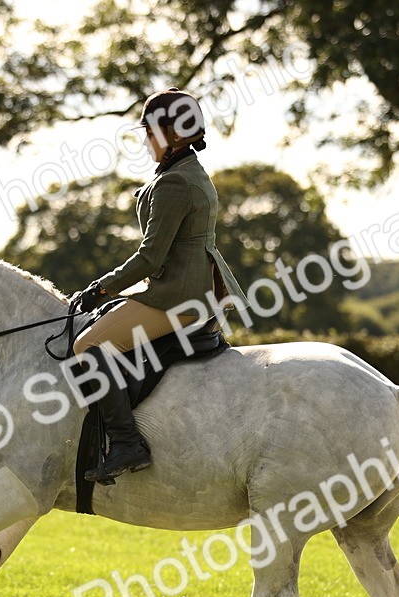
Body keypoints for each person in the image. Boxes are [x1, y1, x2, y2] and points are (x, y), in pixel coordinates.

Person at [71, 87, 244, 484]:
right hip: (189, 289)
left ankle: (126, 443)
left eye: (150, 132)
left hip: (179, 297)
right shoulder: (186, 173)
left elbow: (150, 258)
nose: (147, 140)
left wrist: (101, 288)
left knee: (88, 345)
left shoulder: (175, 183)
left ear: (173, 134)